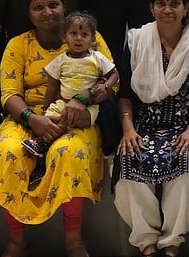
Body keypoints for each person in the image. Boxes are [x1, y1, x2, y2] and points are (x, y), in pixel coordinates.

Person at [0, 0, 113, 257]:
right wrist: (34, 120)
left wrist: (85, 101)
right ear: (29, 12)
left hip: (78, 116)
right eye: (38, 7)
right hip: (29, 117)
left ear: (64, 6)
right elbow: (9, 94)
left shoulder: (87, 37)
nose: (47, 12)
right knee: (9, 152)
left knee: (67, 152)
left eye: (53, 4)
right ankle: (17, 242)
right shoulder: (18, 45)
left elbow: (111, 81)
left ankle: (73, 241)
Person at [115, 0, 189, 257]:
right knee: (128, 161)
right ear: (151, 8)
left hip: (187, 125)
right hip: (143, 125)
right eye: (161, 3)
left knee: (186, 165)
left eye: (174, 3)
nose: (167, 9)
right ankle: (146, 242)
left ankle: (172, 242)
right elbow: (124, 94)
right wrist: (128, 129)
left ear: (186, 8)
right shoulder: (137, 41)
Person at [22, 11, 118, 188]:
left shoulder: (97, 58)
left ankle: (43, 144)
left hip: (88, 107)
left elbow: (114, 74)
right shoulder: (60, 60)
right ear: (64, 37)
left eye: (84, 34)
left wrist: (106, 86)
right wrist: (46, 109)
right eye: (73, 33)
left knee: (76, 119)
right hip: (63, 103)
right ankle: (40, 163)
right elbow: (52, 86)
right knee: (48, 121)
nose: (79, 38)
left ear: (93, 38)